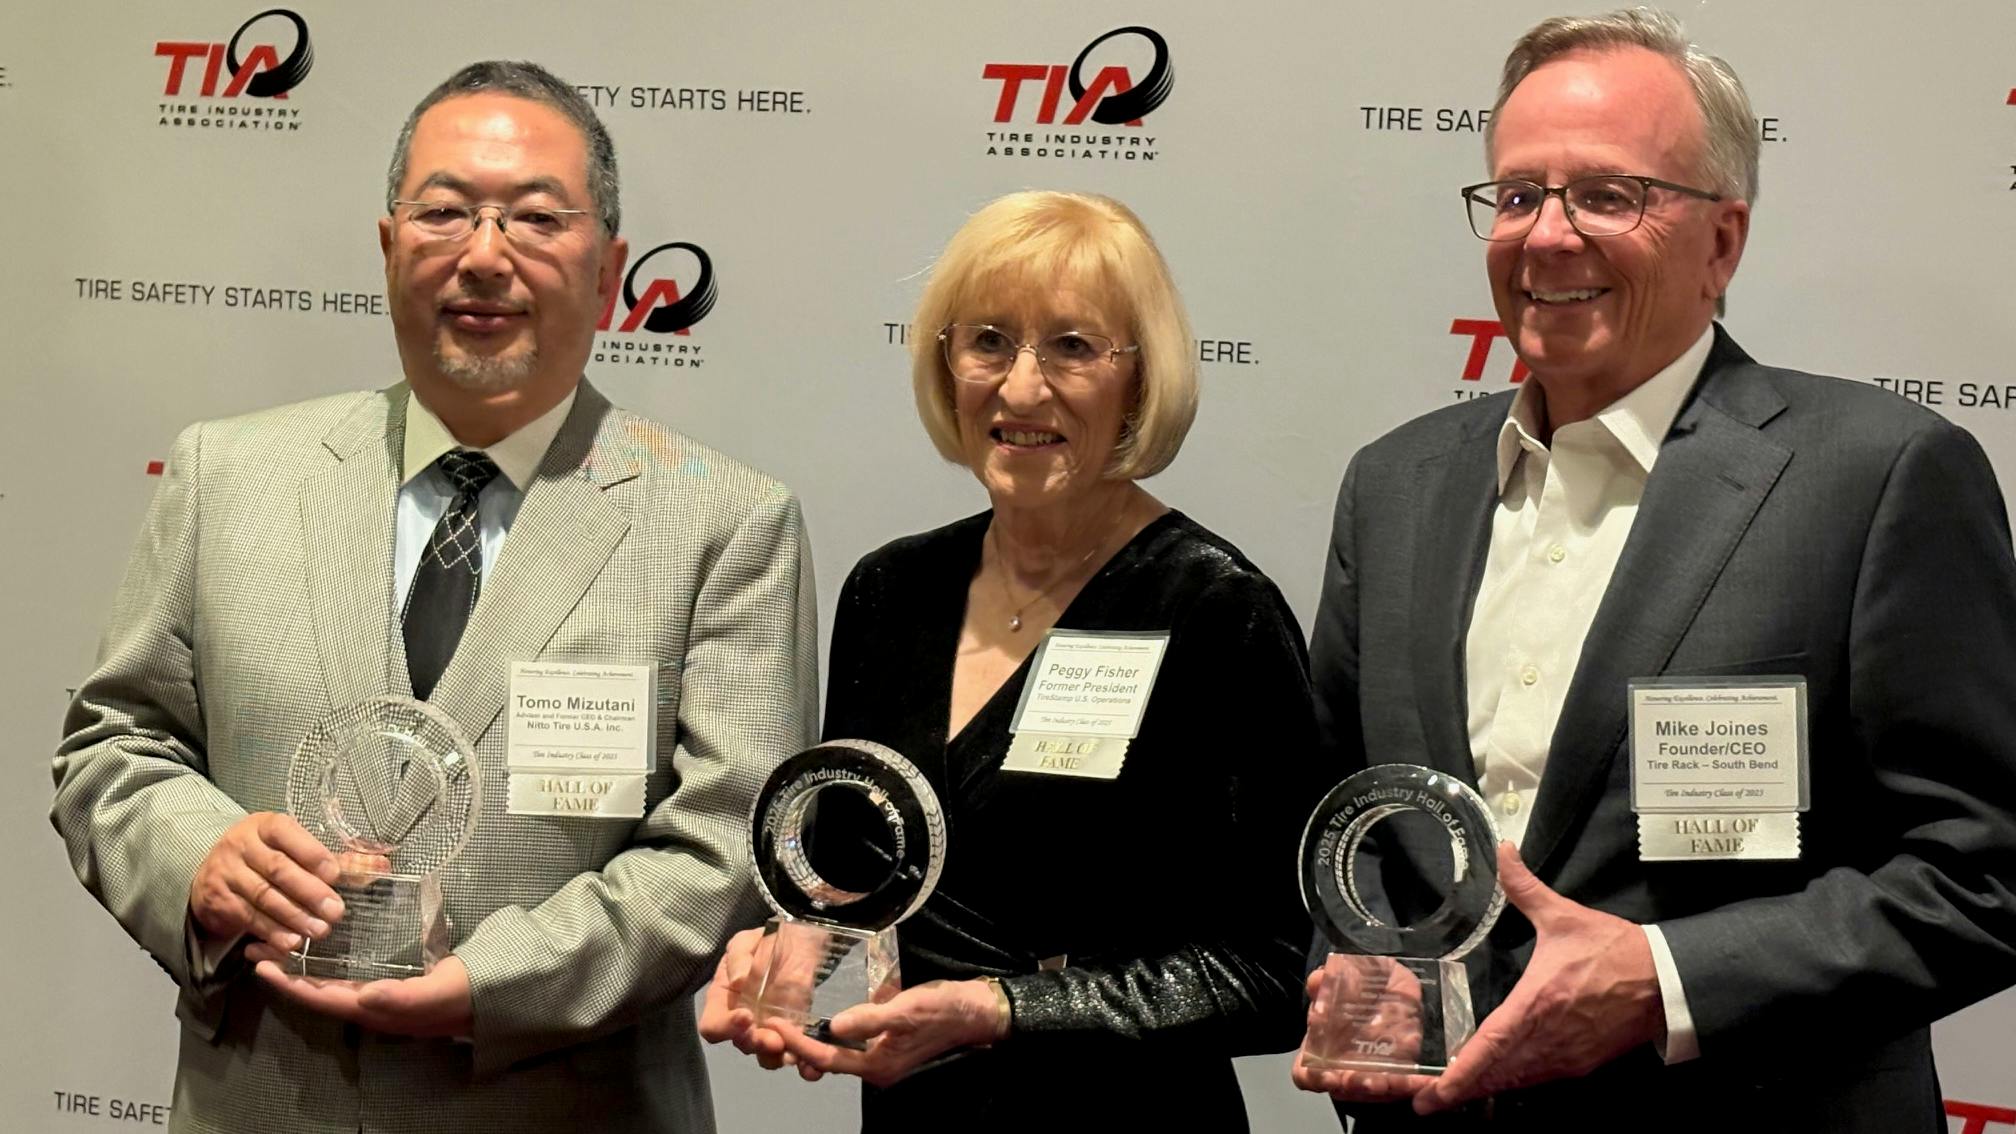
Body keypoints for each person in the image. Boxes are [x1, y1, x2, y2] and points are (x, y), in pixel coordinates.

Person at [49, 61, 816, 1133]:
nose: (485, 257)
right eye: (445, 212)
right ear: (388, 247)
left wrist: (492, 984)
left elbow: (728, 848)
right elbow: (112, 746)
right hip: (264, 1101)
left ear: (610, 273)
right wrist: (198, 861)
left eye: (537, 219)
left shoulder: (724, 523)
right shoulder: (227, 477)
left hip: (562, 1106)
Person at [1294, 8, 2016, 1131]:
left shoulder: (1879, 478)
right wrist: (1361, 967)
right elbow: (1350, 817)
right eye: (1519, 194)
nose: (1545, 237)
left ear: (1722, 243)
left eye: (1608, 195)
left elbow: (1989, 876)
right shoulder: (1395, 487)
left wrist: (1666, 981)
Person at [700, 190, 1322, 1130]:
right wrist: (784, 950)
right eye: (988, 340)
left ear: (1139, 379)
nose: (1021, 389)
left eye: (1073, 348)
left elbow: (1288, 963)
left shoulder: (1210, 607)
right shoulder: (889, 592)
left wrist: (1009, 1011)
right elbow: (846, 880)